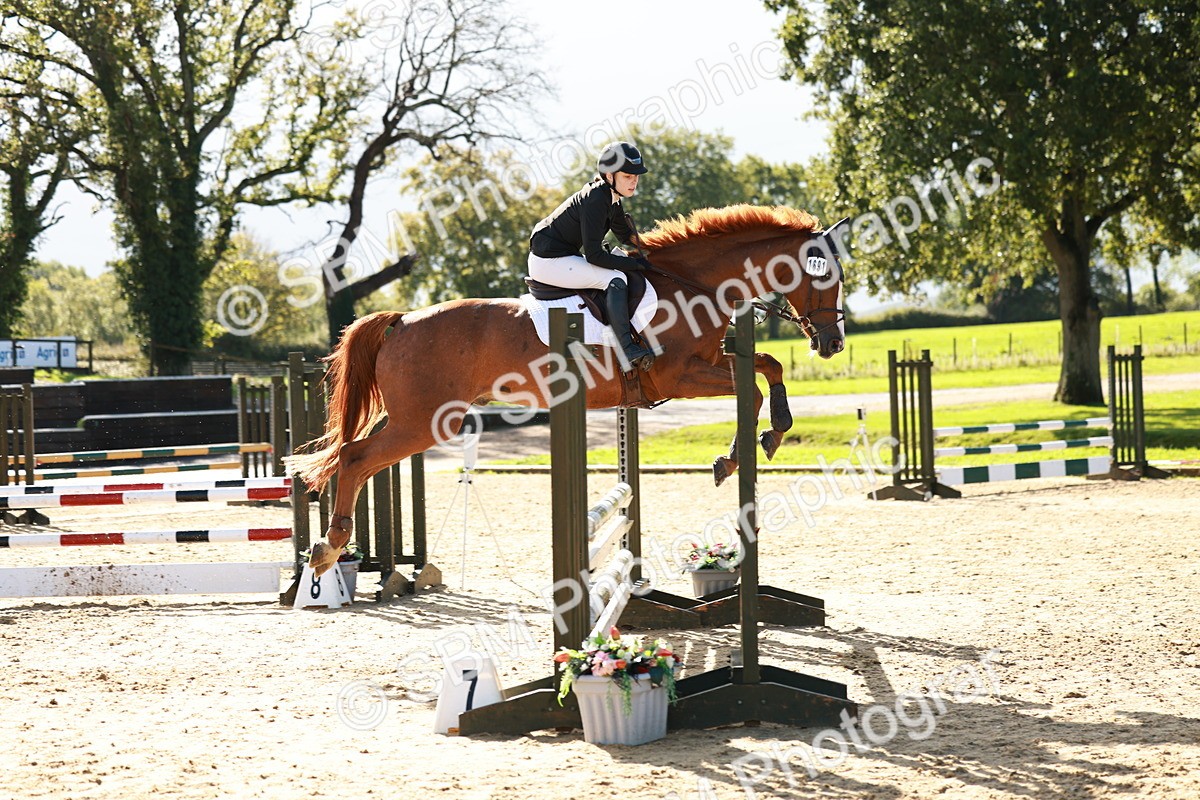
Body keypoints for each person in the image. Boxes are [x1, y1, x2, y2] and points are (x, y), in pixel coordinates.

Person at [528, 140, 657, 371]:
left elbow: (626, 235)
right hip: (548, 261)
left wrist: (656, 250)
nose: (634, 181)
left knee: (620, 271)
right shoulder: (597, 199)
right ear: (609, 175)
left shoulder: (611, 197)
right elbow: (595, 256)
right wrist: (634, 264)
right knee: (616, 280)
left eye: (636, 176)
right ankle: (627, 349)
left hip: (562, 255)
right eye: (628, 176)